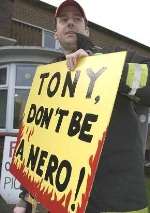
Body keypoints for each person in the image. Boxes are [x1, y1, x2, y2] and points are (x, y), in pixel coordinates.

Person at [13, 0, 150, 212]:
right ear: (56, 33)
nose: (70, 23)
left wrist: (102, 66)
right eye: (63, 20)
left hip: (116, 201)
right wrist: (25, 198)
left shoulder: (116, 57)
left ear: (86, 29)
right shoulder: (48, 77)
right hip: (63, 200)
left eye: (77, 19)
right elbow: (37, 142)